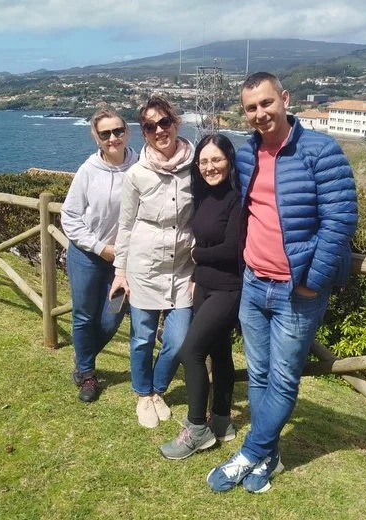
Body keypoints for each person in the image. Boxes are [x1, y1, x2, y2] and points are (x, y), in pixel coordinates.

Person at [206, 72, 358, 493]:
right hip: (254, 283)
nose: (260, 113)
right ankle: (268, 455)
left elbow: (340, 220)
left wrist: (312, 281)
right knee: (258, 374)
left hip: (297, 290)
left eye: (266, 103)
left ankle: (249, 453)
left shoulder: (321, 151)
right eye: (251, 108)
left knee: (283, 378)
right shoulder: (246, 155)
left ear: (285, 99)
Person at [110, 95, 195, 428]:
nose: (159, 130)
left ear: (175, 122)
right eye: (150, 126)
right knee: (143, 337)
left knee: (178, 339)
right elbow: (125, 225)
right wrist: (120, 271)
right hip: (143, 267)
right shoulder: (136, 174)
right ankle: (144, 394)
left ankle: (158, 388)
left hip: (183, 268)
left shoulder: (196, 167)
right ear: (144, 133)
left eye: (164, 122)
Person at [159, 134, 241, 459]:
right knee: (220, 353)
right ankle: (221, 420)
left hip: (228, 289)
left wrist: (196, 255)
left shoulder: (237, 199)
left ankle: (197, 429)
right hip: (204, 286)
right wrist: (196, 273)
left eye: (216, 159)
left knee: (190, 351)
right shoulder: (204, 195)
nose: (210, 167)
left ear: (229, 161)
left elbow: (233, 249)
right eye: (204, 161)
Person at [61, 106, 138, 403]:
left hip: (122, 260)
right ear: (96, 137)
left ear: (127, 131)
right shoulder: (88, 170)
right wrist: (99, 247)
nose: (113, 138)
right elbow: (70, 216)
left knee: (111, 318)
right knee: (83, 315)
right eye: (105, 134)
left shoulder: (141, 165)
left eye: (118, 131)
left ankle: (82, 361)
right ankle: (88, 374)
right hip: (87, 255)